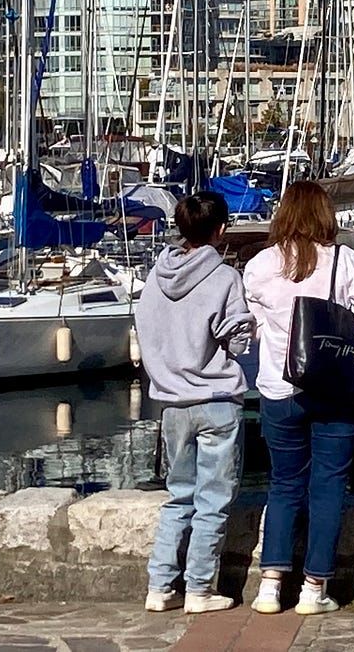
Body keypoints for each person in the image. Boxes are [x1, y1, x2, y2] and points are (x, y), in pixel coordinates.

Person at [243, 180, 354, 616]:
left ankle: (269, 586)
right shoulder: (342, 259)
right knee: (328, 486)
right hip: (333, 388)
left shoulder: (260, 264)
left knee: (284, 484)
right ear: (326, 215)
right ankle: (313, 588)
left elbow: (255, 327)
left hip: (278, 388)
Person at [134, 191, 253, 615]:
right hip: (216, 399)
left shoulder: (155, 277)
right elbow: (238, 340)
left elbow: (146, 329)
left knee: (177, 495)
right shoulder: (224, 278)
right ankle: (199, 587)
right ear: (220, 229)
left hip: (172, 402)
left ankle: (160, 585)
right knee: (212, 500)